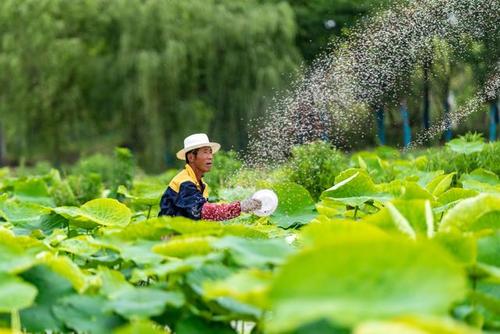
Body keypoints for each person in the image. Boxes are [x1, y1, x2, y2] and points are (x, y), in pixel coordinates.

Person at [158, 133, 261, 220]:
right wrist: (240, 207)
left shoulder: (200, 183)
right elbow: (204, 212)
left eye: (210, 152)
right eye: (205, 152)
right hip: (170, 237)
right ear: (191, 157)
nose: (210, 157)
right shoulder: (185, 183)